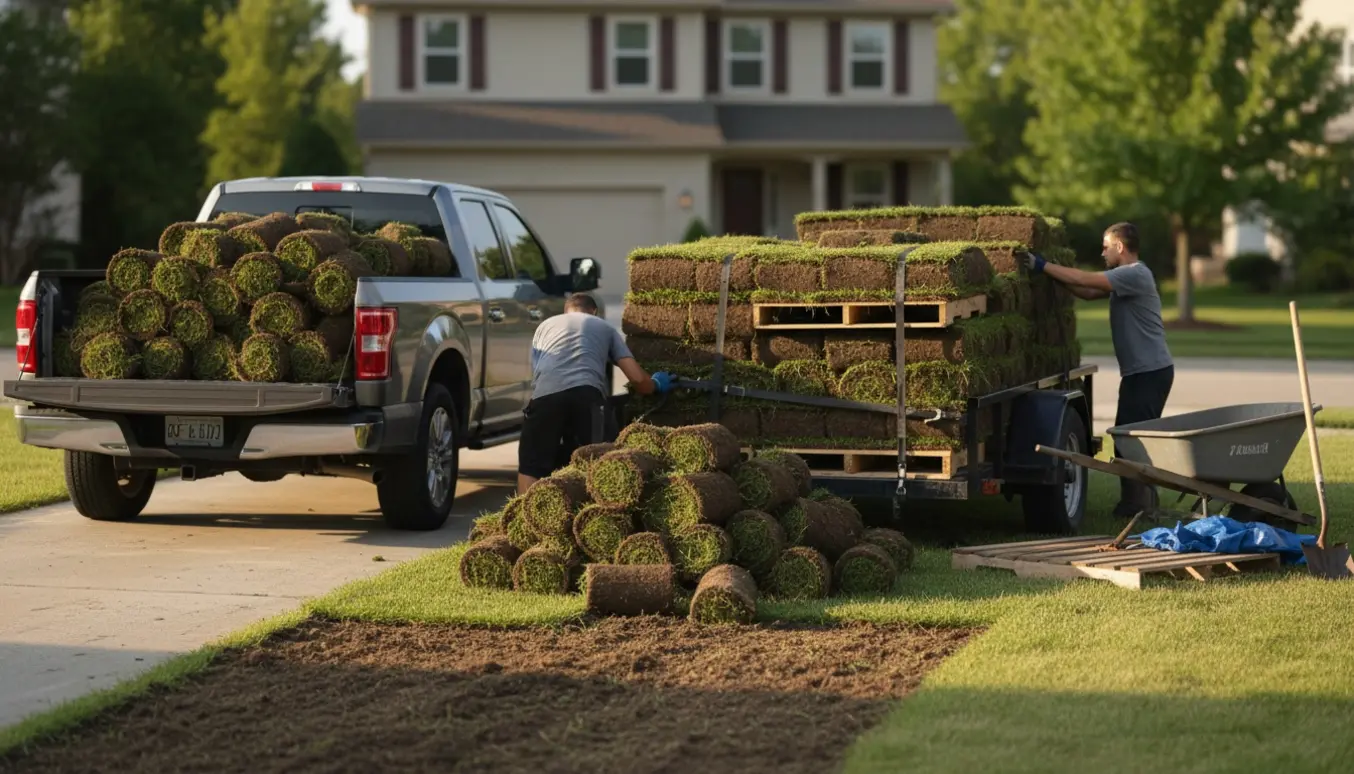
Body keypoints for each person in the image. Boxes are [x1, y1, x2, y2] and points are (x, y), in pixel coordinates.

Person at [1024, 221, 1174, 517]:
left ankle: (1139, 505)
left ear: (1120, 247)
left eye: (1106, 247)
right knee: (1129, 438)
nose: (1102, 252)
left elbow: (1088, 279)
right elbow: (1087, 291)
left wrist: (1041, 265)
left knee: (1131, 441)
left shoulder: (1135, 274)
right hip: (1142, 372)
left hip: (1149, 373)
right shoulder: (1127, 278)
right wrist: (1053, 276)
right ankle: (1140, 503)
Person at [517, 292, 673, 495]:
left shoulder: (545, 327)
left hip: (544, 397)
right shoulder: (603, 327)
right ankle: (600, 514)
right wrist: (655, 384)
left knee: (531, 465)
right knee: (599, 462)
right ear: (594, 311)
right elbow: (636, 379)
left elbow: (539, 375)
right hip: (587, 396)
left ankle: (524, 519)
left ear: (566, 311)